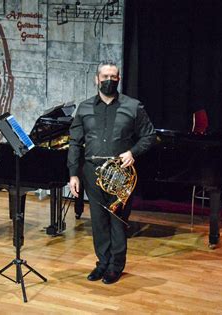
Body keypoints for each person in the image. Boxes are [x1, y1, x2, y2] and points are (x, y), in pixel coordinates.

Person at [67, 61, 156, 284]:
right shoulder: (84, 108)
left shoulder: (133, 106)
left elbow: (149, 136)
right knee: (98, 222)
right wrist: (73, 174)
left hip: (121, 176)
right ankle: (102, 263)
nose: (109, 80)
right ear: (96, 79)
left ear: (118, 79)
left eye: (113, 77)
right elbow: (75, 143)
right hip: (91, 173)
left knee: (117, 221)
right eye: (105, 76)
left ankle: (116, 266)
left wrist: (133, 152)